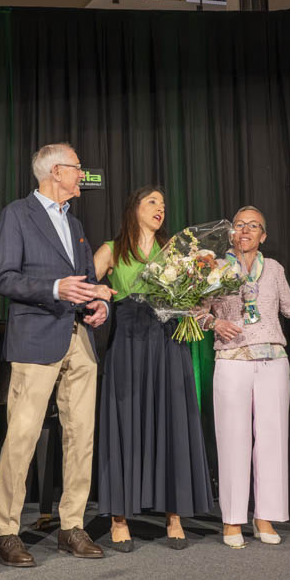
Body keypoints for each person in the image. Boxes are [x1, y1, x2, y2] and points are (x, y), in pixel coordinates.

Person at [0, 142, 110, 567]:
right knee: (22, 436)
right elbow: (4, 278)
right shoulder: (17, 214)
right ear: (55, 171)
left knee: (81, 435)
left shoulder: (74, 223)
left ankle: (72, 526)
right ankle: (5, 532)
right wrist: (55, 288)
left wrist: (99, 305)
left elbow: (89, 280)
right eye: (77, 168)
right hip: (35, 338)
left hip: (79, 338)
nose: (82, 175)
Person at [93, 187, 212, 551]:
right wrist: (101, 296)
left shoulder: (175, 252)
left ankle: (174, 515)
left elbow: (197, 292)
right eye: (152, 202)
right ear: (135, 208)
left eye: (163, 203)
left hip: (168, 341)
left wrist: (197, 297)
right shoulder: (112, 250)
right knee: (125, 421)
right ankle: (118, 518)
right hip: (128, 342)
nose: (161, 208)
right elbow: (84, 287)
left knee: (172, 420)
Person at [200, 207, 290, 546]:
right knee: (233, 440)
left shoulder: (273, 268)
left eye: (253, 226)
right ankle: (232, 521)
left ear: (263, 235)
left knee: (272, 440)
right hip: (233, 358)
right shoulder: (215, 267)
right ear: (231, 233)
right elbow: (195, 312)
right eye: (240, 225)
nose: (245, 230)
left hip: (273, 360)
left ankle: (265, 517)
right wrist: (215, 322)